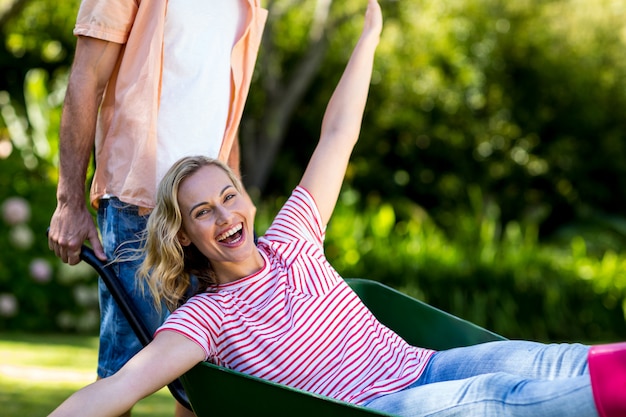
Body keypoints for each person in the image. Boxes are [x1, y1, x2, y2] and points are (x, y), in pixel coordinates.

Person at [49, 1, 626, 416]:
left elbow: (338, 133)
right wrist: (70, 200)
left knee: (543, 364)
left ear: (248, 199)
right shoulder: (206, 319)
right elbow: (116, 389)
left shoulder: (293, 237)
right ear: (183, 238)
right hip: (383, 406)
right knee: (504, 401)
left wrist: (370, 34)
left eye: (229, 196)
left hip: (422, 367)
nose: (226, 217)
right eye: (203, 213)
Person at [47, 1, 267, 416]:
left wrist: (235, 195)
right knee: (123, 376)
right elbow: (86, 78)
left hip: (214, 213)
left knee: (217, 372)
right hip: (139, 204)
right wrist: (69, 200)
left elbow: (223, 104)